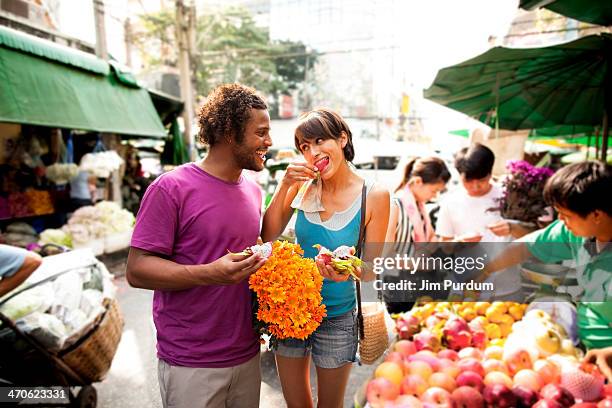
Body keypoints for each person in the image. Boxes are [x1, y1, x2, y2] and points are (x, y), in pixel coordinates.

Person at [126, 84, 272, 408]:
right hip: (191, 362)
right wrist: (210, 273)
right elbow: (137, 271)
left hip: (247, 354)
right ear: (230, 133)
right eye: (261, 133)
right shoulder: (171, 188)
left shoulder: (253, 192)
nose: (269, 142)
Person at [262, 108, 390, 408]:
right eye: (305, 147)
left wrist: (347, 267)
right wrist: (284, 185)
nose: (313, 152)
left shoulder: (374, 195)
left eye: (320, 140)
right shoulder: (302, 186)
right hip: (290, 311)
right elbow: (268, 233)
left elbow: (370, 270)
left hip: (338, 316)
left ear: (342, 139)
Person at [481, 161, 611, 377]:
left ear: (596, 215)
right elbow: (524, 248)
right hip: (586, 358)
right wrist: (482, 271)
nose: (561, 220)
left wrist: (609, 353)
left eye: (566, 214)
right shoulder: (576, 233)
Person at [383, 157, 451, 312]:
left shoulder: (420, 207)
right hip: (398, 290)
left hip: (418, 287)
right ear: (418, 181)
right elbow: (384, 256)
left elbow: (432, 240)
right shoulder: (395, 206)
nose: (434, 197)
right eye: (434, 191)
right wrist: (419, 264)